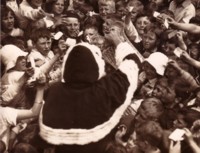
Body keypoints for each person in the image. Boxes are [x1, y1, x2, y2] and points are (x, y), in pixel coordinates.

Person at [39, 34, 141, 153]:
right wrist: (119, 42)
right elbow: (132, 64)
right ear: (95, 65)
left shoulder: (55, 91)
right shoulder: (105, 89)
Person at [0, 73, 46, 152]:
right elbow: (33, 112)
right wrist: (40, 88)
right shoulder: (3, 113)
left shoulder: (3, 112)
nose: (2, 88)